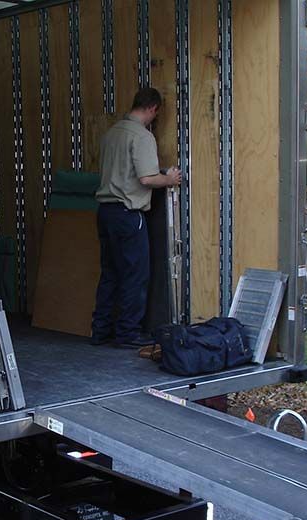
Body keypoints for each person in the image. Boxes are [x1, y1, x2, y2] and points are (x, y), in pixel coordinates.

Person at [91, 87, 181, 348]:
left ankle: (101, 331)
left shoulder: (111, 134)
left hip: (105, 212)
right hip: (128, 214)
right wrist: (170, 179)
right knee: (135, 275)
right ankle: (128, 333)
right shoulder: (141, 136)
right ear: (152, 108)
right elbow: (146, 178)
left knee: (110, 273)